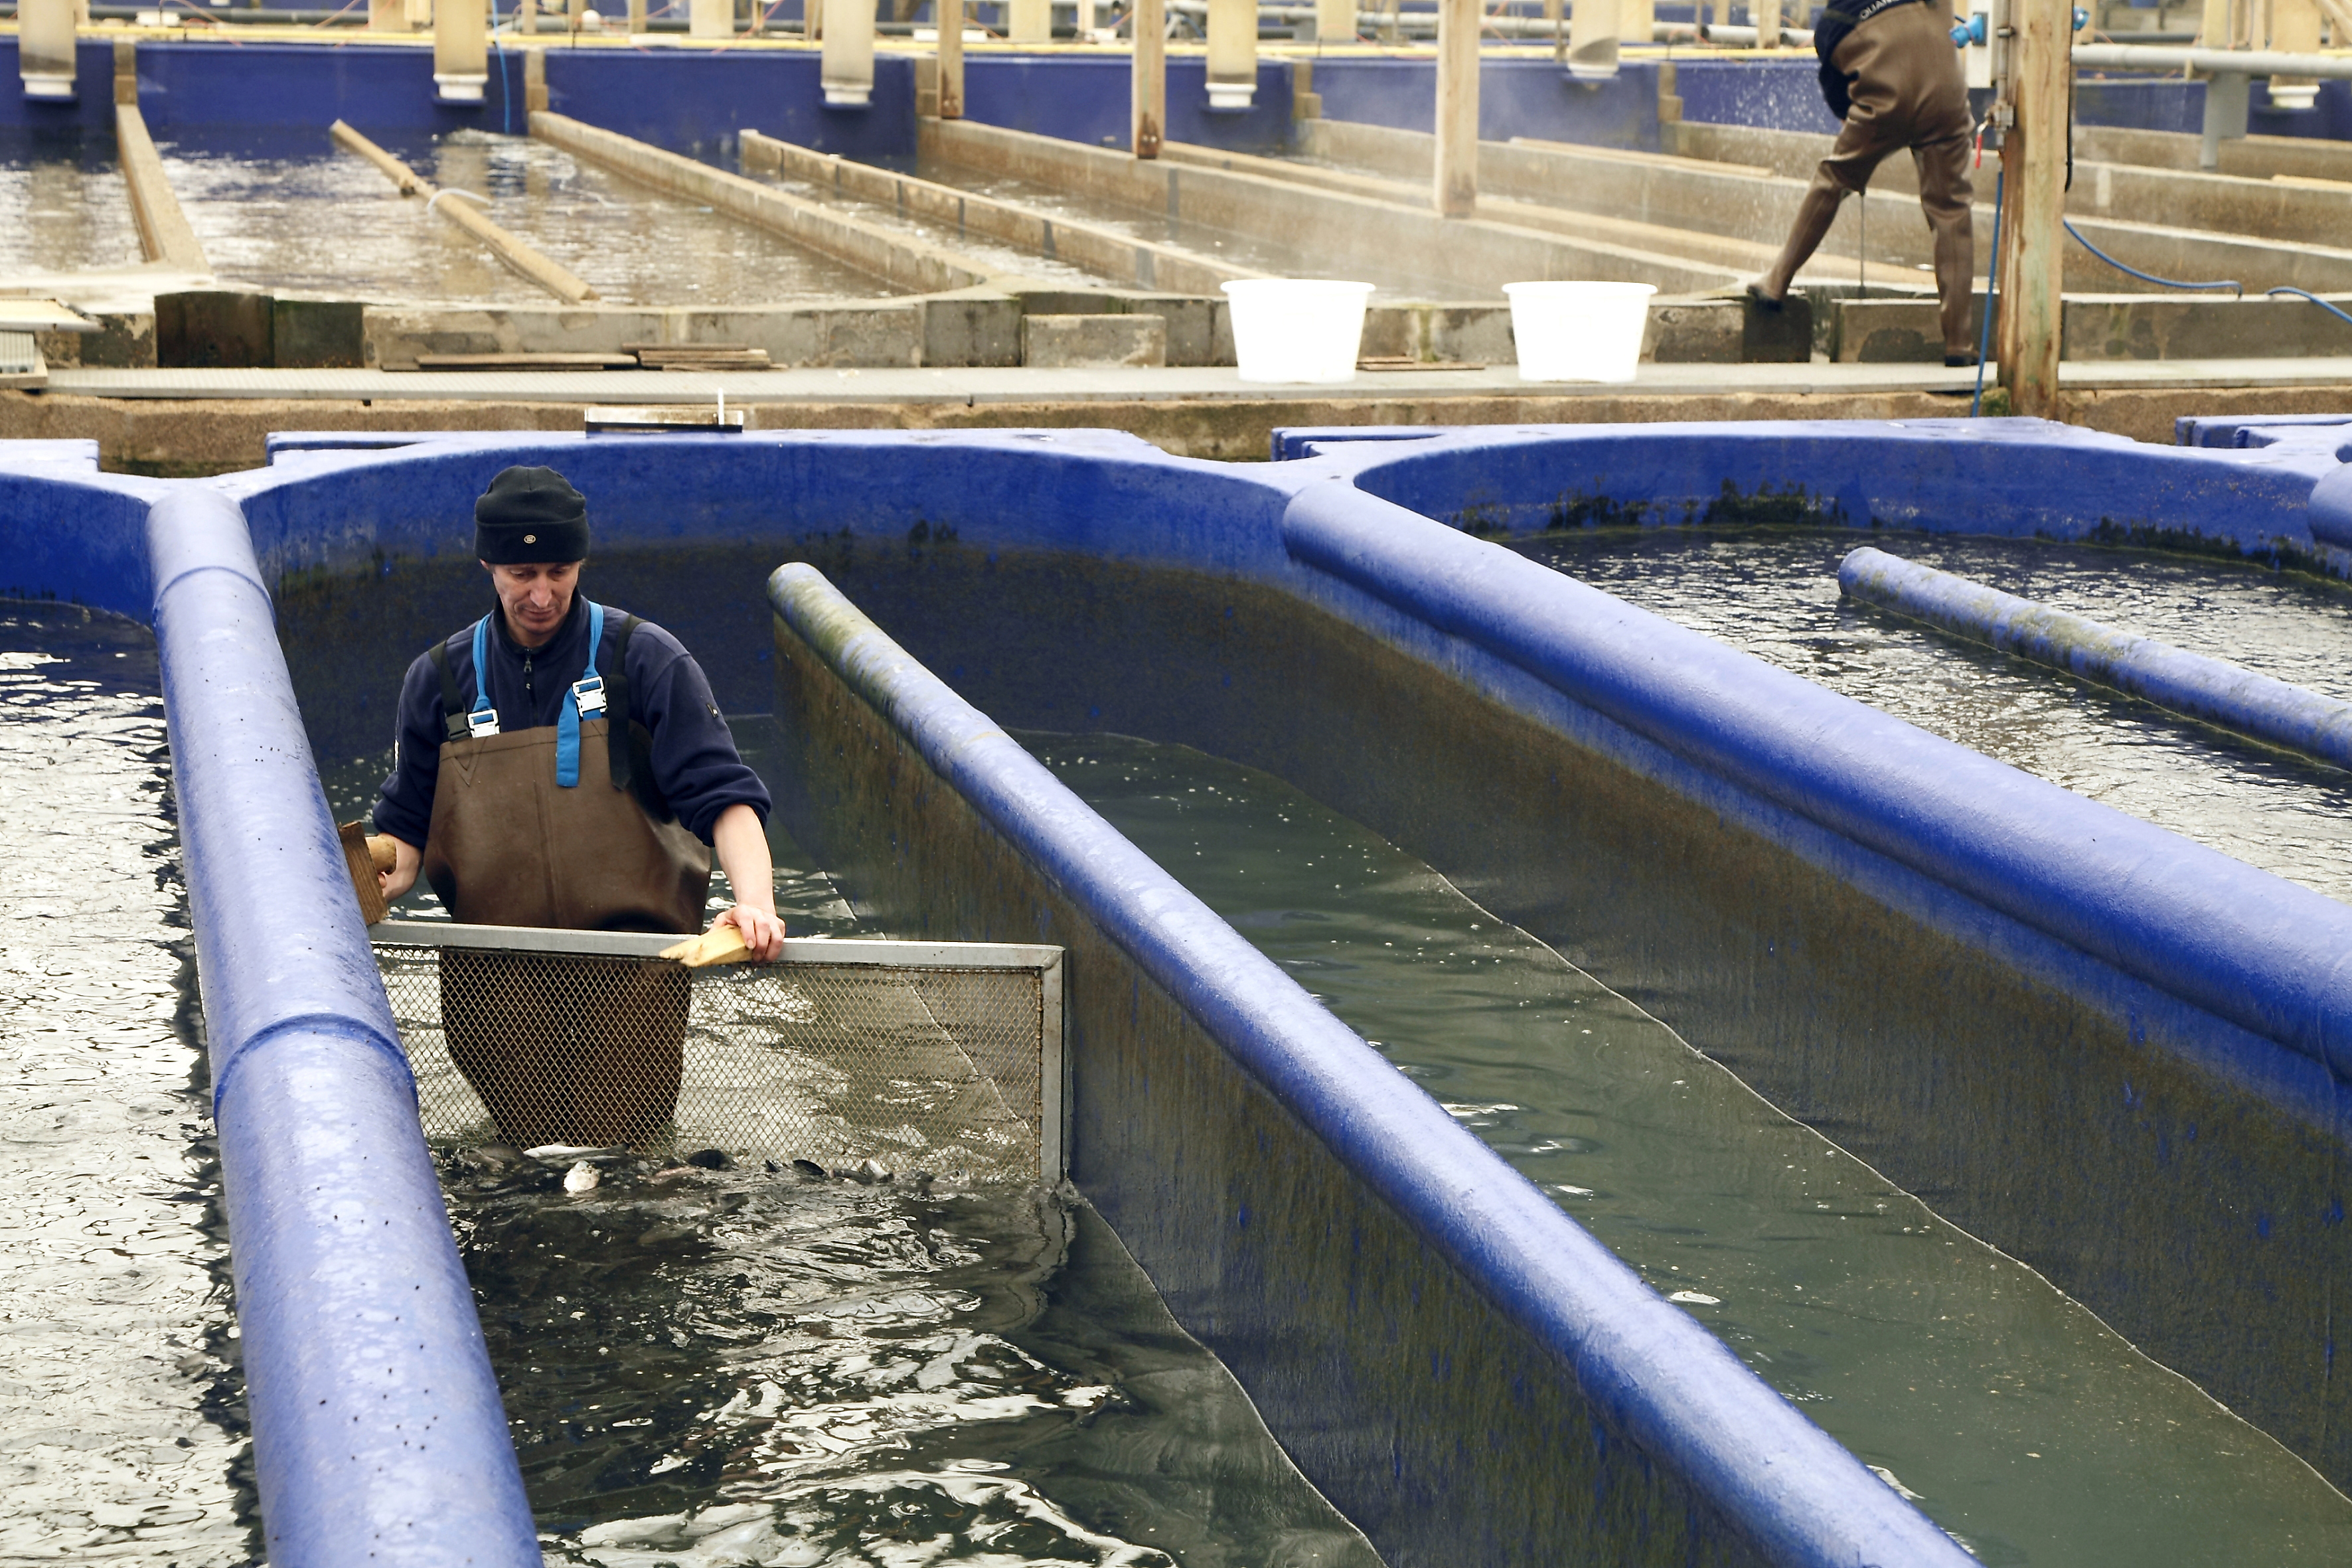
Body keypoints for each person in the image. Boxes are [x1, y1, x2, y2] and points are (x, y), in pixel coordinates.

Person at [371, 464, 785, 1148]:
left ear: (582, 560)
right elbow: (408, 834)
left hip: (631, 969)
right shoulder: (438, 681)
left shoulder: (646, 660)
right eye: (521, 573)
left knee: (622, 1158)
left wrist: (757, 903)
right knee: (529, 1155)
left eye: (558, 570)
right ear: (488, 564)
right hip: (496, 975)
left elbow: (725, 798)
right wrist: (366, 875)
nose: (541, 594)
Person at [1749, 0, 1978, 368]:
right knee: (1950, 209)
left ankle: (1775, 282)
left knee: (1834, 176)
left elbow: (1839, 96)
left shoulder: (1834, 20)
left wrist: (1862, 130)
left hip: (1885, 98)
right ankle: (1960, 345)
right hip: (1946, 97)